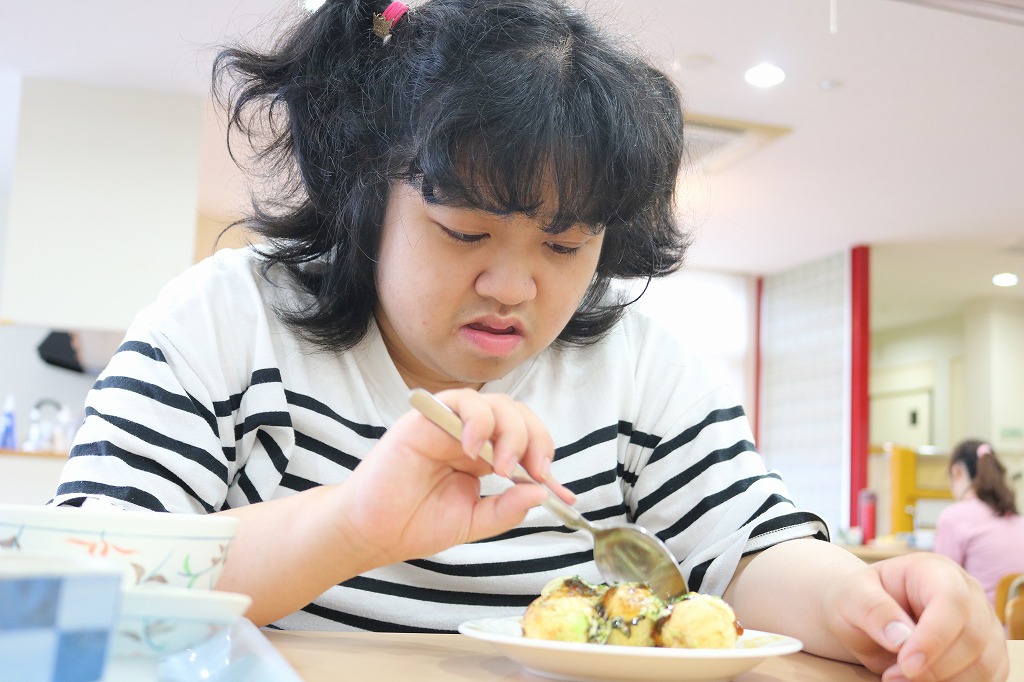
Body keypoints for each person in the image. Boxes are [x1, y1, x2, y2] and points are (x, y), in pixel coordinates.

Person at [50, 1, 1006, 679]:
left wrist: (867, 604)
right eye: (463, 232)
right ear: (366, 193)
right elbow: (81, 583)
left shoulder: (638, 367)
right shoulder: (227, 321)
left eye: (565, 244)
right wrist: (351, 526)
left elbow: (748, 552)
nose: (513, 287)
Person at [934, 438, 1024, 604]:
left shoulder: (953, 517)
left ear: (957, 472)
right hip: (1016, 619)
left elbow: (942, 586)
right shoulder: (1017, 518)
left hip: (983, 619)